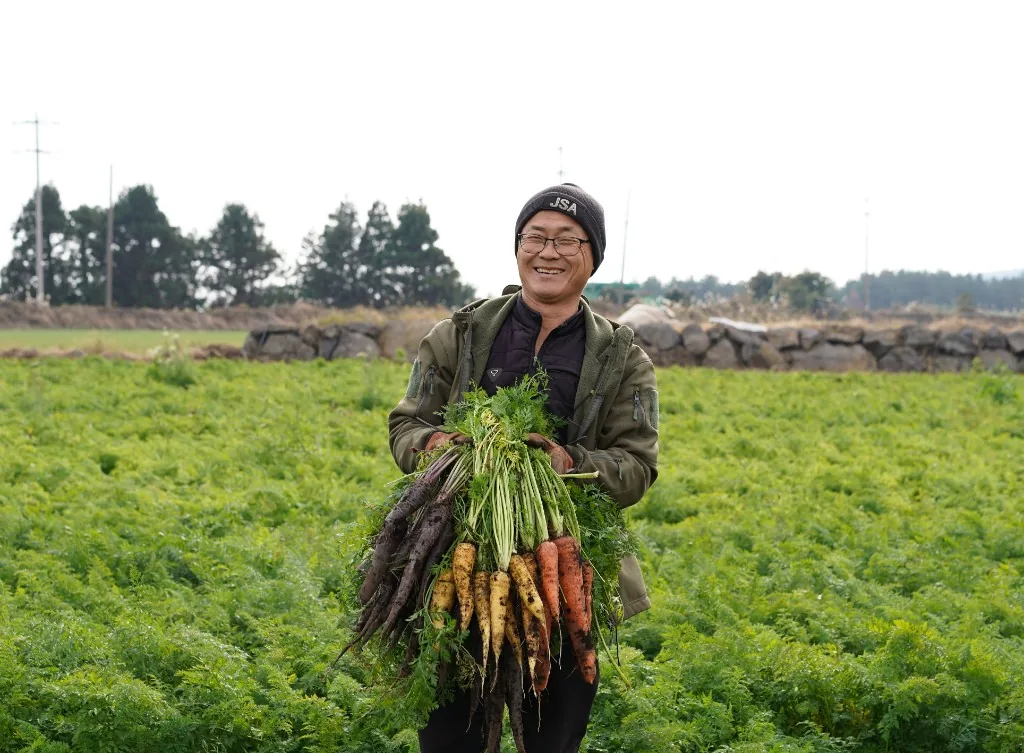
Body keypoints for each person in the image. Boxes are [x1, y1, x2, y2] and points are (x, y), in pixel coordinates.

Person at [388, 182, 659, 753]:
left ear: (593, 257)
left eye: (567, 240)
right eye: (535, 237)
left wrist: (569, 462)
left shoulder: (623, 359)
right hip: (454, 564)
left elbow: (636, 466)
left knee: (553, 740)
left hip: (563, 569)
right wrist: (439, 445)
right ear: (517, 247)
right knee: (448, 738)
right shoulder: (456, 335)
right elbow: (405, 426)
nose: (548, 252)